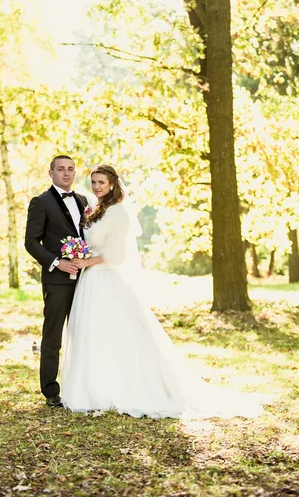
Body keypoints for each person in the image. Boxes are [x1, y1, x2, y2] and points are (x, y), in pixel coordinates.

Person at [61, 165, 271, 419]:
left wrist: (86, 261)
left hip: (107, 280)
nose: (96, 187)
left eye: (101, 182)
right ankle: (92, 387)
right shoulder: (97, 210)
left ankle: (115, 388)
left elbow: (115, 256)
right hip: (91, 282)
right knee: (92, 333)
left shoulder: (118, 213)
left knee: (114, 334)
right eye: (93, 182)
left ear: (113, 184)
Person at [25, 155, 89, 408]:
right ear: (50, 173)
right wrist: (57, 262)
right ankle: (51, 391)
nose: (66, 173)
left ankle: (83, 386)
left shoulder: (84, 201)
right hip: (57, 280)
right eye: (60, 169)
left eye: (70, 169)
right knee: (53, 336)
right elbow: (31, 242)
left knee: (84, 333)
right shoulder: (40, 202)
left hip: (86, 280)